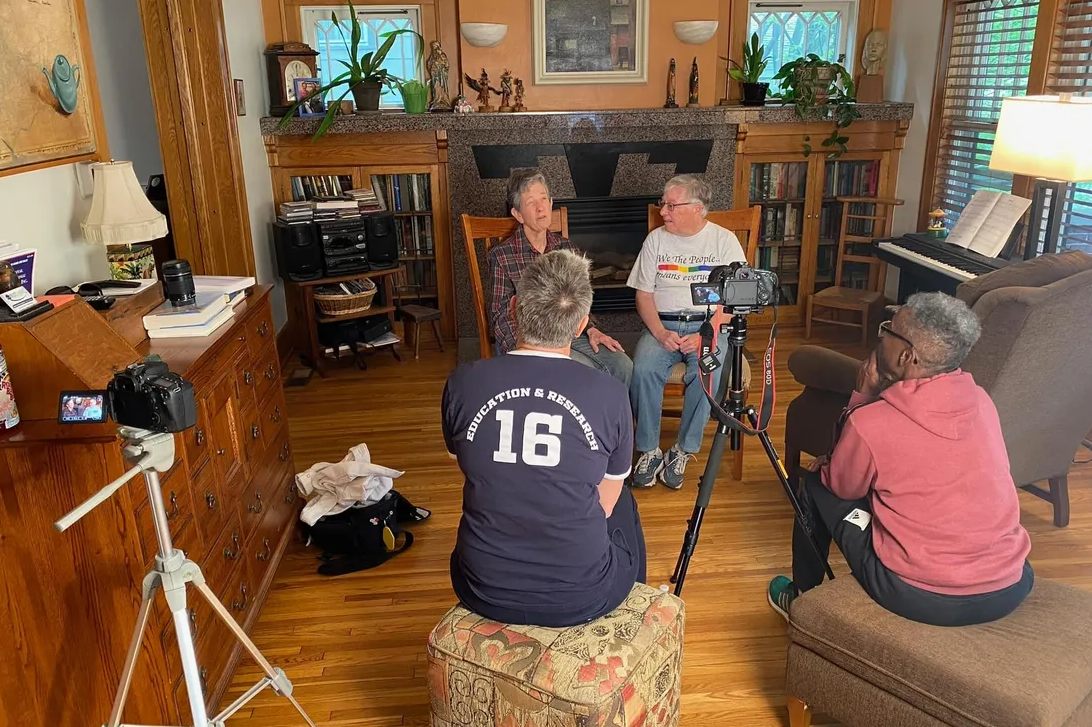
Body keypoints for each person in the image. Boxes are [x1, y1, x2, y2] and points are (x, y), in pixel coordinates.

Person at [768, 293, 1034, 627]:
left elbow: (842, 487)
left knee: (815, 484)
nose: (880, 337)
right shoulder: (982, 401)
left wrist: (861, 398)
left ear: (907, 355)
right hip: (1011, 583)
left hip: (918, 594)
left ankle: (800, 600)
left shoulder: (872, 421)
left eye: (888, 331)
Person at [443, 249, 646, 627]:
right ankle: (628, 624)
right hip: (583, 596)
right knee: (624, 502)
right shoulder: (610, 393)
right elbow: (603, 505)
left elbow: (470, 465)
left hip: (479, 586)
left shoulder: (462, 381)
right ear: (581, 323)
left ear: (516, 306)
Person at [627, 174, 748, 489]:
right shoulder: (655, 240)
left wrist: (707, 334)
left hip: (709, 326)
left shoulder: (724, 241)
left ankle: (683, 449)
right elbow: (644, 294)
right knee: (642, 368)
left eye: (670, 205)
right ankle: (650, 450)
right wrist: (659, 333)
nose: (663, 211)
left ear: (697, 208)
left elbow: (737, 299)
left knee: (708, 373)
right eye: (662, 204)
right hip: (663, 324)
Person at [488, 168, 633, 385]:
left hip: (569, 334)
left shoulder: (567, 248)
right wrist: (527, 352)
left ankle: (615, 419)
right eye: (530, 203)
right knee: (584, 370)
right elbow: (500, 315)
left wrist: (592, 328)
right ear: (517, 214)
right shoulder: (501, 255)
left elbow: (579, 301)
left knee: (622, 365)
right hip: (530, 341)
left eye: (544, 199)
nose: (541, 207)